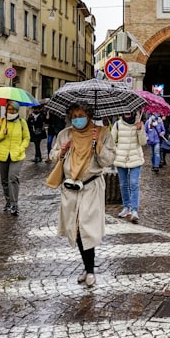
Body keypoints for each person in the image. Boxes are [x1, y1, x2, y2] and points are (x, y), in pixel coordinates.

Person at [50, 102, 114, 288]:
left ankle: (91, 270)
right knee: (76, 229)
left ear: (89, 115)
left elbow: (108, 160)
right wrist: (62, 150)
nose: (78, 118)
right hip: (70, 189)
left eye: (81, 114)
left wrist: (98, 146)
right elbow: (53, 156)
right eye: (74, 115)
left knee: (87, 227)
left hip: (91, 187)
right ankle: (87, 267)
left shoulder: (102, 133)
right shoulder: (65, 134)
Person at [0, 101, 30, 216]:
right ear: (6, 110)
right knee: (4, 180)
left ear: (17, 110)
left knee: (13, 178)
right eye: (9, 109)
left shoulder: (22, 123)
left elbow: (27, 138)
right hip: (1, 156)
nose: (11, 111)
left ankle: (14, 204)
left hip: (17, 156)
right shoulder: (0, 122)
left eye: (13, 109)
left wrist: (20, 149)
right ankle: (8, 201)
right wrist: (2, 133)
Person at [112, 112, 146, 223]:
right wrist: (116, 151)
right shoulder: (117, 125)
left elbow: (143, 142)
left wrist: (140, 130)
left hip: (135, 158)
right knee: (123, 184)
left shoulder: (139, 124)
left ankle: (134, 209)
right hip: (121, 158)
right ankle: (126, 206)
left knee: (134, 183)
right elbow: (112, 141)